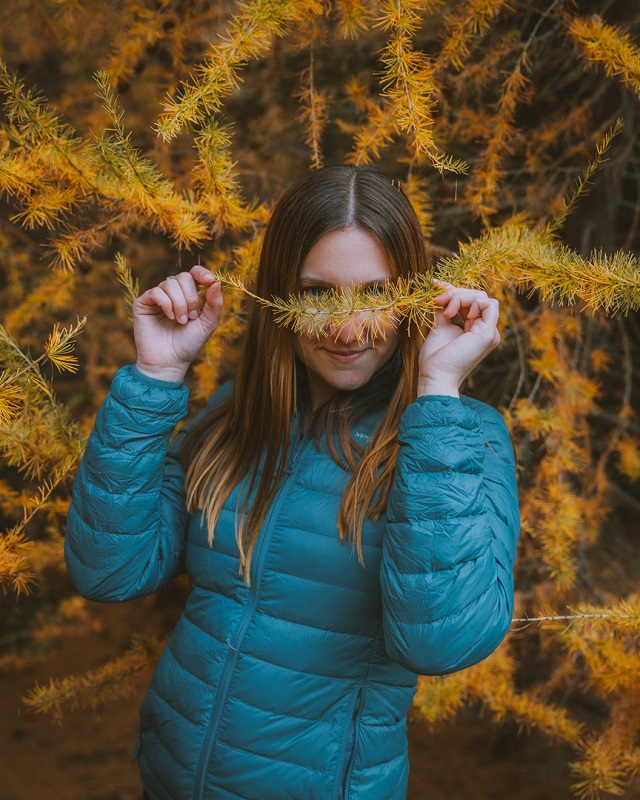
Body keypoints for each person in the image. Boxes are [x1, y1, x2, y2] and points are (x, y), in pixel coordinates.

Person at [65, 164, 520, 800]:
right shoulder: (235, 416)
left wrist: (437, 392)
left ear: (415, 296)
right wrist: (154, 377)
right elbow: (110, 570)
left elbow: (442, 640)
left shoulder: (455, 436)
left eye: (376, 294)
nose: (346, 326)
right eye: (315, 293)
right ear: (279, 296)